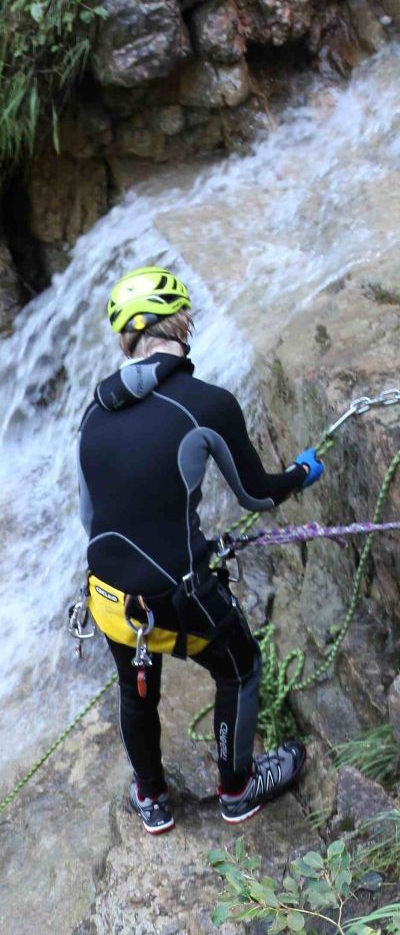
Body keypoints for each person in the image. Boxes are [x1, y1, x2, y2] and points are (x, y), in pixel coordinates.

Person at [77, 264, 324, 835]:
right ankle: (237, 789)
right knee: (240, 668)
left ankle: (151, 798)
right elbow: (257, 496)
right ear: (181, 323)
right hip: (180, 593)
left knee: (136, 688)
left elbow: (90, 518)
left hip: (109, 595)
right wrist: (302, 473)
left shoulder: (92, 415)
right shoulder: (206, 404)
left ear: (127, 340)